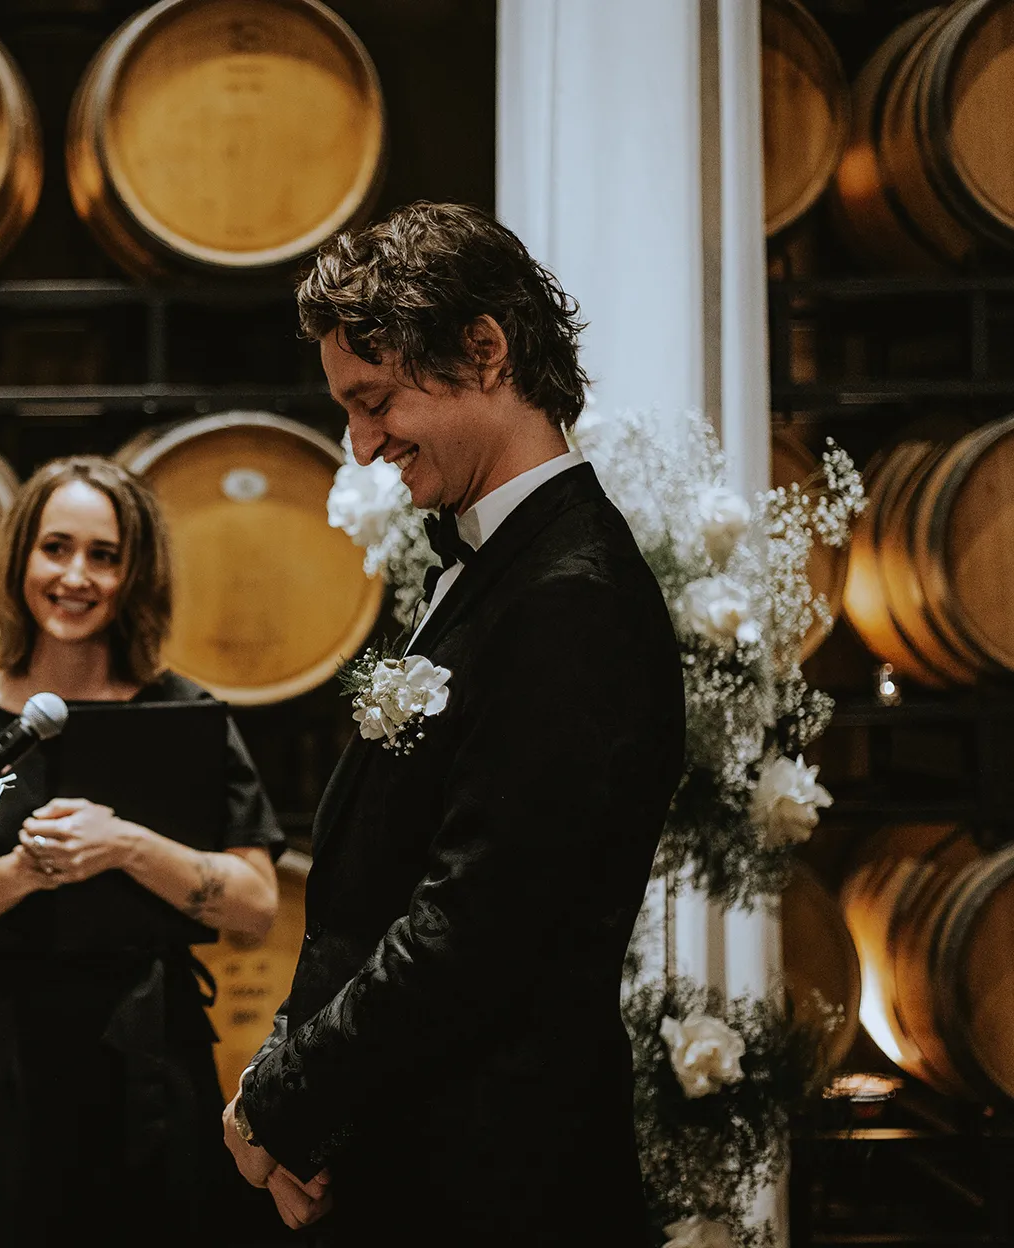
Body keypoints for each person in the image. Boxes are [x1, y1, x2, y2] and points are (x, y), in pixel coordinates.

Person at [222, 204, 685, 1245]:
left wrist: (278, 1102)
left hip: (497, 1175)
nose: (360, 441)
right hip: (410, 1147)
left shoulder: (573, 595)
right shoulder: (487, 564)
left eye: (374, 399)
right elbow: (377, 881)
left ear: (484, 350)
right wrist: (306, 1109)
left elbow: (476, 925)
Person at [0, 456, 286, 1247]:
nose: (77, 575)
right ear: (21, 560)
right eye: (57, 548)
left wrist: (127, 846)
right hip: (11, 1055)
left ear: (134, 572)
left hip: (157, 1049)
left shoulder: (187, 713)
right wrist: (21, 872)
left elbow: (258, 904)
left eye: (104, 555)